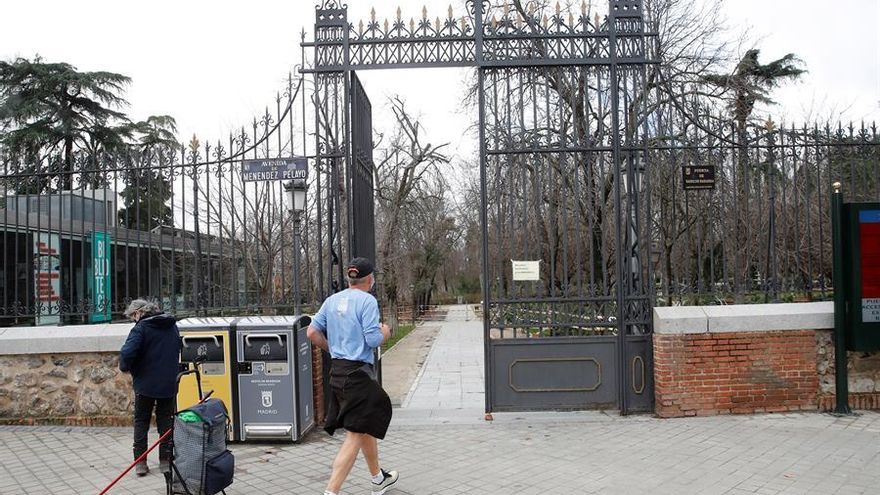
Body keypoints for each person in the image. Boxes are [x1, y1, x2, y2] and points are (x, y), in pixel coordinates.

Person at [307, 257, 399, 495]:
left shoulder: (331, 301)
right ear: (370, 279)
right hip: (358, 375)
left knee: (364, 425)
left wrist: (333, 349)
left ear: (350, 278)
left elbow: (311, 332)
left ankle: (378, 478)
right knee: (356, 432)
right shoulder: (367, 301)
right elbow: (372, 339)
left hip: (338, 372)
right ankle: (331, 491)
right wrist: (386, 332)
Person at [118, 299, 182, 477]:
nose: (133, 319)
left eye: (133, 316)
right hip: (169, 382)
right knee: (166, 422)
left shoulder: (141, 328)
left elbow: (127, 353)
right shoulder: (171, 325)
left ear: (139, 312)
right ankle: (165, 461)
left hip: (145, 384)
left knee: (141, 422)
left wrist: (125, 367)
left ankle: (141, 463)